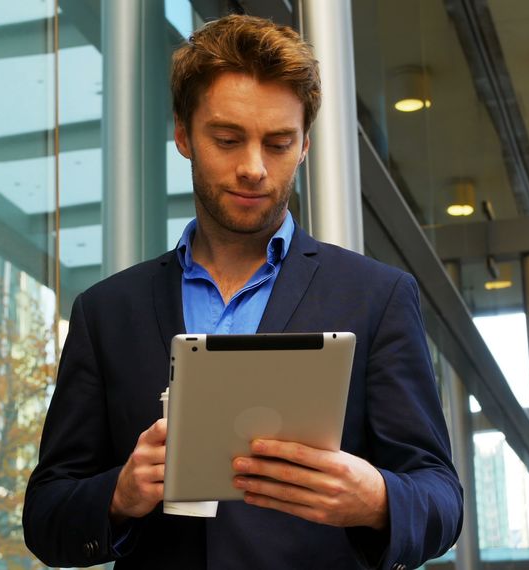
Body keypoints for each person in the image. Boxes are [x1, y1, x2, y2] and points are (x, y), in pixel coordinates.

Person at [23, 14, 462, 569]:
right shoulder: (105, 313)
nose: (254, 168)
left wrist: (377, 499)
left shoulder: (378, 297)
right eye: (227, 139)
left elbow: (442, 497)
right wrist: (119, 494)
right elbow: (45, 515)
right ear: (183, 135)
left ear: (304, 146)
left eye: (278, 143)